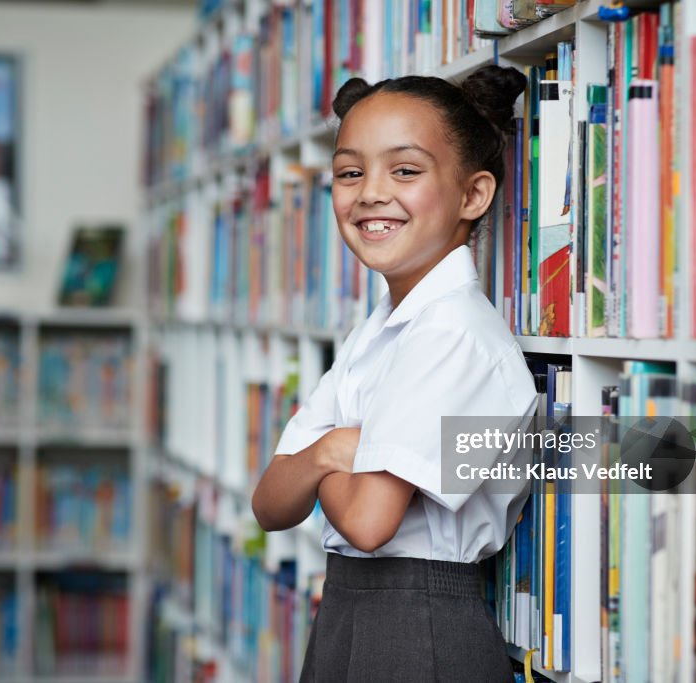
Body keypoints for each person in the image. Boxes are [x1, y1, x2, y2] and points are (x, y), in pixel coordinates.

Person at [251, 64, 538, 682]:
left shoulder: (454, 333)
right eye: (350, 173)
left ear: (473, 195)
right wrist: (334, 449)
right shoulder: (379, 331)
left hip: (418, 623)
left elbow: (368, 522)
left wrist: (315, 458)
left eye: (404, 170)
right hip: (352, 607)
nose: (370, 193)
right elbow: (270, 505)